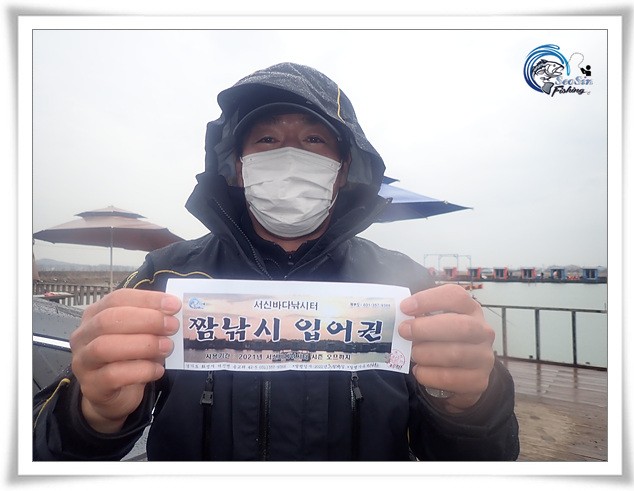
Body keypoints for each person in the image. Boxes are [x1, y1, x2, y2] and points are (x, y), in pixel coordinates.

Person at [33, 62, 519, 461]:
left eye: (314, 141)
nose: (289, 156)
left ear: (342, 170)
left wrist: (472, 402)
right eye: (266, 140)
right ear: (237, 169)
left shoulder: (405, 287)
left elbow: (483, 458)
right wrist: (92, 413)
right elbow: (41, 447)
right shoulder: (165, 276)